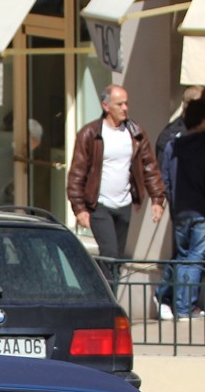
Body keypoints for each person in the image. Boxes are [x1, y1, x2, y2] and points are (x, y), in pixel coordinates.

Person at [66, 85, 166, 289]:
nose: (125, 108)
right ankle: (108, 300)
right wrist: (79, 208)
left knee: (116, 258)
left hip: (124, 204)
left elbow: (149, 166)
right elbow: (77, 173)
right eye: (119, 104)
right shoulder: (90, 134)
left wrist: (157, 199)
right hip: (99, 204)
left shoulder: (135, 133)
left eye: (126, 103)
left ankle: (108, 298)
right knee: (109, 253)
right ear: (105, 106)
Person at [158, 99, 205, 321]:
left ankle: (166, 296)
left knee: (182, 256)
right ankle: (184, 307)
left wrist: (173, 201)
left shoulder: (172, 146)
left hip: (181, 210)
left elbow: (165, 179)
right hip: (201, 212)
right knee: (194, 259)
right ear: (204, 121)